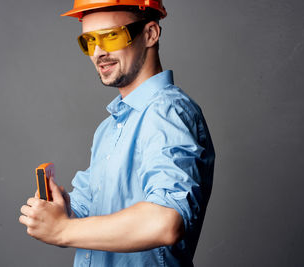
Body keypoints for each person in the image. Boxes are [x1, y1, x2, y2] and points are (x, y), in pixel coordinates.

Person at [19, 0, 215, 266]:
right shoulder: (110, 128)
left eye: (111, 36)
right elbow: (92, 209)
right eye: (89, 41)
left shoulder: (167, 112)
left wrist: (62, 230)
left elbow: (166, 221)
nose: (98, 52)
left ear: (150, 34)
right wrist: (62, 209)